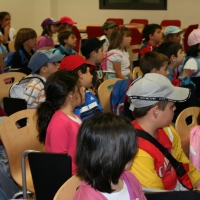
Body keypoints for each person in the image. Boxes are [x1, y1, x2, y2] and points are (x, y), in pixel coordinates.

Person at [126, 73, 200, 191]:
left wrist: (197, 180)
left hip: (178, 185)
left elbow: (180, 158)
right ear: (156, 111)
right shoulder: (136, 151)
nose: (175, 108)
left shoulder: (168, 130)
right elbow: (157, 194)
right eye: (172, 106)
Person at [74, 112, 146, 200]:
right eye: (129, 147)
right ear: (109, 155)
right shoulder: (87, 197)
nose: (134, 150)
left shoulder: (130, 178)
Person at [36, 70, 85, 175]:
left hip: (79, 172)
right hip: (69, 179)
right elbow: (60, 164)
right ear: (70, 95)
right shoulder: (59, 123)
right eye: (79, 86)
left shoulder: (75, 117)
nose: (83, 89)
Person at [59, 54, 103, 121]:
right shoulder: (70, 104)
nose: (92, 76)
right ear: (80, 74)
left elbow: (102, 115)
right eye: (89, 72)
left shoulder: (89, 95)